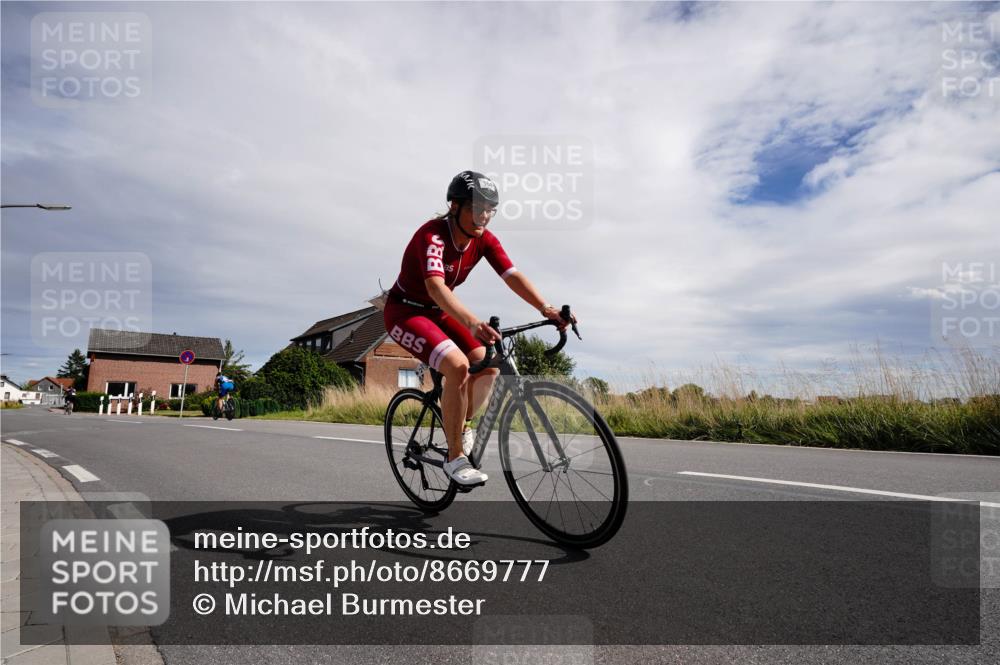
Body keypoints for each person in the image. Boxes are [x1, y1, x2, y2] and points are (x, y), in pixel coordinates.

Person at [384, 171, 574, 487]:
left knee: (490, 365)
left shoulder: (483, 239)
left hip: (439, 312)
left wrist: (546, 308)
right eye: (477, 208)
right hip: (405, 312)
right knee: (458, 366)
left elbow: (511, 274)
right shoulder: (432, 236)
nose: (484, 216)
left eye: (490, 209)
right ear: (455, 206)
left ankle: (462, 424)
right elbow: (435, 288)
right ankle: (454, 458)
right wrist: (472, 322)